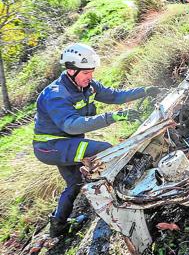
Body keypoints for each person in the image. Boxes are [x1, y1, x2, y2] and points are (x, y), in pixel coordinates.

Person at [33, 43, 161, 237]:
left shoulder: (88, 86)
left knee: (75, 183)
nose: (90, 76)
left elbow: (115, 96)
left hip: (64, 145)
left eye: (91, 72)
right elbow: (71, 125)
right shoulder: (56, 94)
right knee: (106, 150)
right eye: (85, 73)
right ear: (71, 70)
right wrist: (112, 117)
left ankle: (58, 227)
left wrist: (145, 91)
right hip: (50, 147)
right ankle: (128, 194)